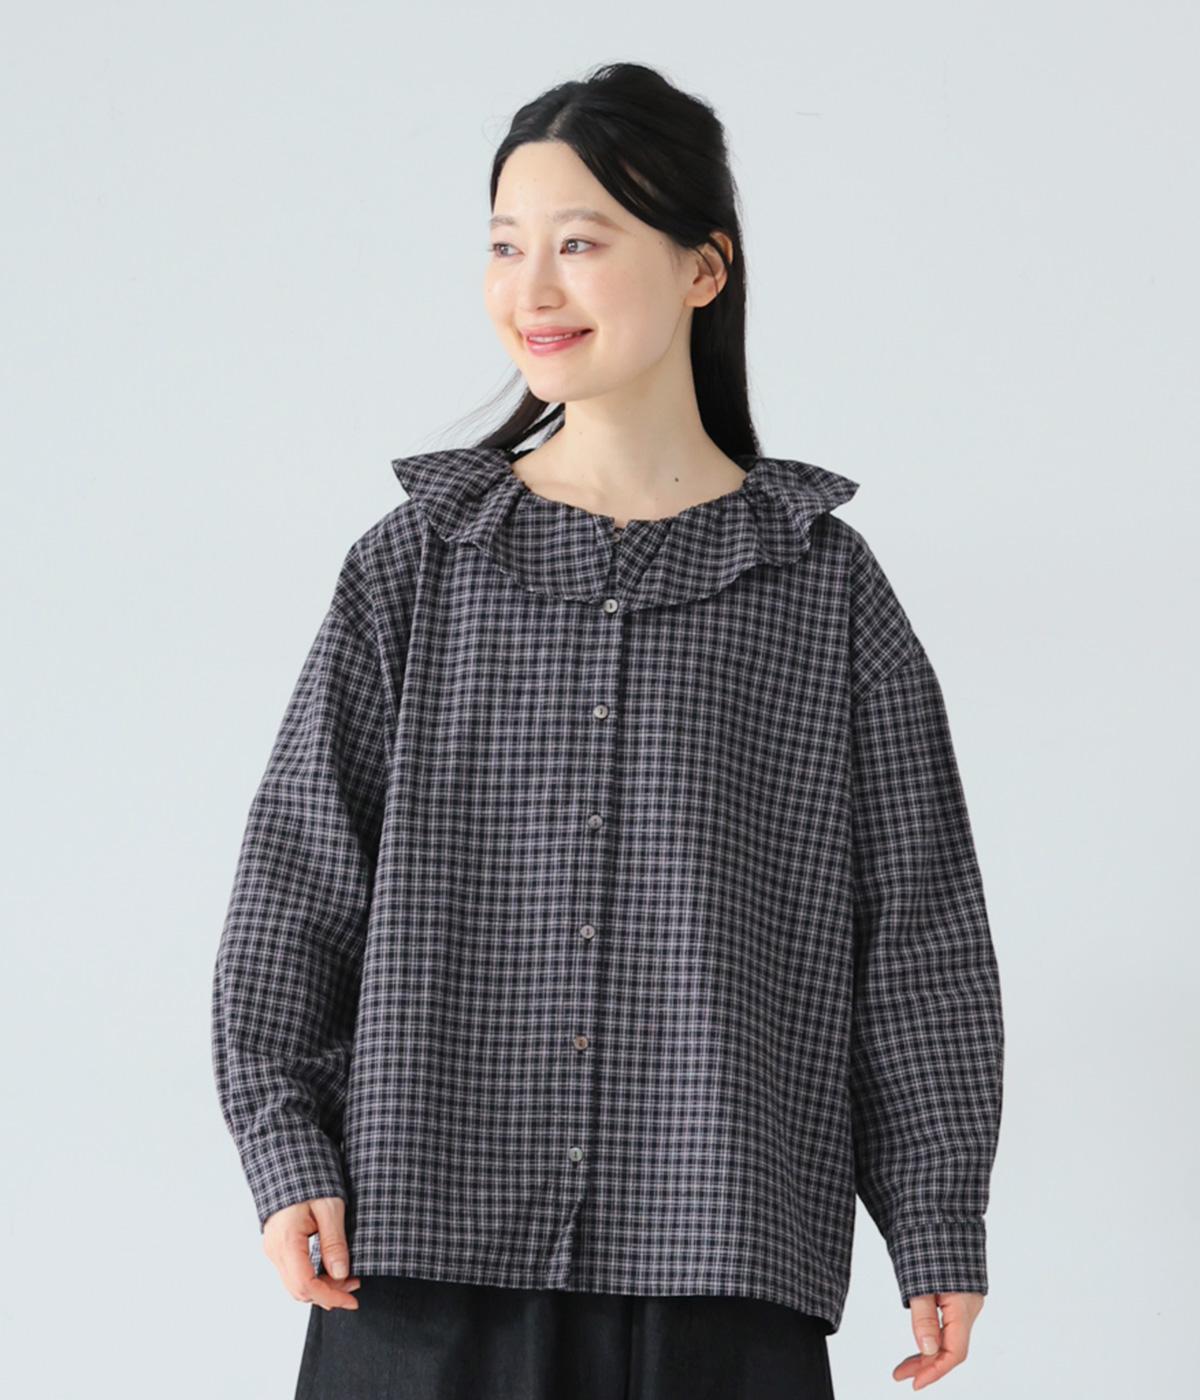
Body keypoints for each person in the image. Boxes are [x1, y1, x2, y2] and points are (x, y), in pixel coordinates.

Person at [211, 61, 1004, 1400]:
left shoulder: (824, 592)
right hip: (423, 1257)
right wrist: (286, 1141)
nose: (531, 289)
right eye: (504, 245)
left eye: (580, 243)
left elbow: (918, 933)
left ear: (704, 267)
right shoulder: (416, 569)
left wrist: (932, 1211)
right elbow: (301, 878)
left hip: (720, 1271)